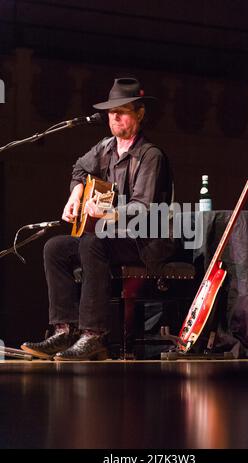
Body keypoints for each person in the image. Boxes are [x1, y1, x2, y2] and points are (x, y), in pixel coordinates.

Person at [21, 77, 175, 361]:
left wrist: (108, 212)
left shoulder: (150, 156)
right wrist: (76, 194)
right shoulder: (104, 148)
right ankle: (64, 330)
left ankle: (94, 336)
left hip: (146, 240)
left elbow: (144, 208)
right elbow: (79, 168)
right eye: (111, 111)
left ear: (139, 114)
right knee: (55, 247)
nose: (114, 116)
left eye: (123, 110)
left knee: (93, 243)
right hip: (112, 238)